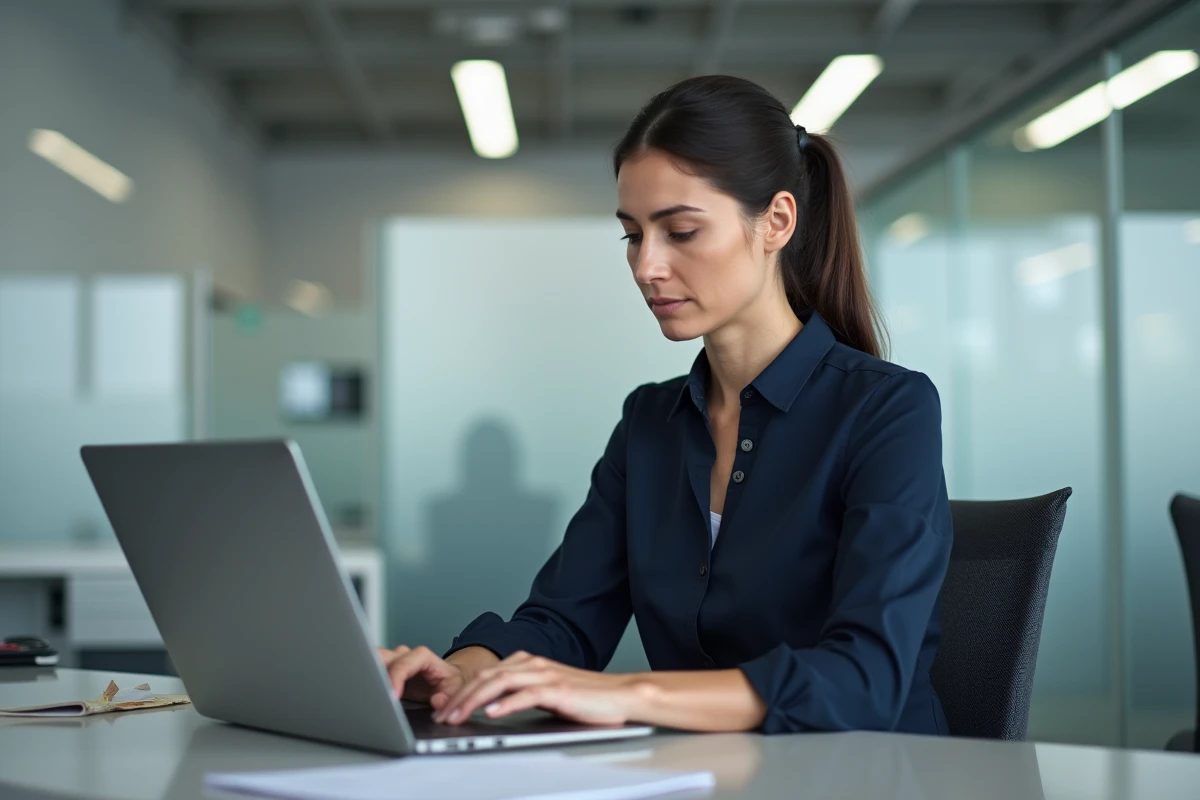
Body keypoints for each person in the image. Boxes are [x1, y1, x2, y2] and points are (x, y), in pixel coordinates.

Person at [378, 75, 953, 735]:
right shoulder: (651, 424)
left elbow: (865, 680)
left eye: (680, 231)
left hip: (866, 772)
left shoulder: (887, 409)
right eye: (632, 235)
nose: (646, 266)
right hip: (710, 772)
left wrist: (628, 695)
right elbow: (564, 620)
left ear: (777, 222)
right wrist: (461, 673)